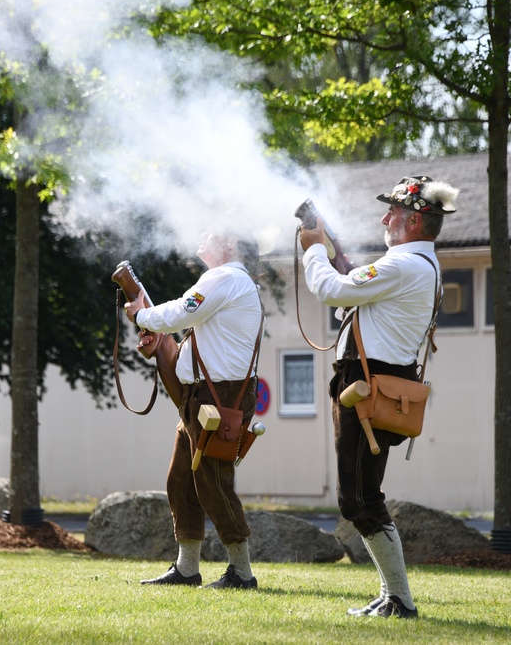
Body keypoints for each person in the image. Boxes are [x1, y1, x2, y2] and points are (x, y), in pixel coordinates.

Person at [299, 175, 458, 618]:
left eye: (393, 213)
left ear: (412, 221)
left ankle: (400, 599)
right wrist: (334, 255)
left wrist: (313, 246)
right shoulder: (416, 264)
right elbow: (351, 291)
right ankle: (395, 596)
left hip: (367, 388)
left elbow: (332, 290)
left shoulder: (401, 266)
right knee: (364, 496)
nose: (385, 218)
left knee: (359, 501)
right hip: (379, 387)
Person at [123, 228, 263, 590]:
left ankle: (242, 573)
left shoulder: (225, 276)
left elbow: (182, 312)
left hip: (218, 397)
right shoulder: (228, 279)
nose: (203, 234)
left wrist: (143, 316)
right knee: (182, 480)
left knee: (214, 484)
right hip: (205, 397)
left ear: (231, 244)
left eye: (213, 232)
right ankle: (187, 569)